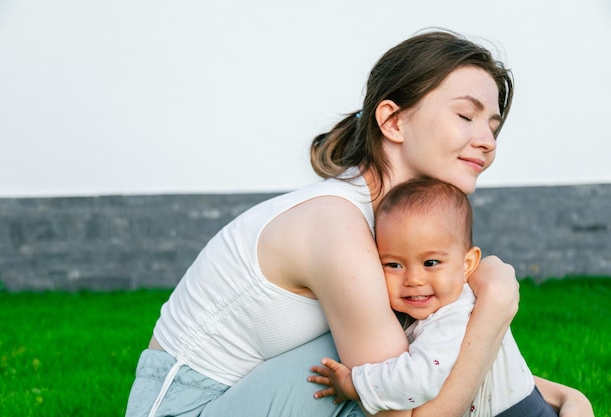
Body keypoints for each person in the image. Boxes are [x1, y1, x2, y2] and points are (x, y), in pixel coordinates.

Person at [125, 29, 594, 417]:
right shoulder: (337, 228)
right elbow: (409, 406)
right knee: (367, 380)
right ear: (392, 121)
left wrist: (562, 396)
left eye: (492, 125)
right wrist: (495, 306)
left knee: (431, 305)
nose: (487, 141)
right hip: (187, 408)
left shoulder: (397, 225)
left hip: (253, 394)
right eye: (465, 115)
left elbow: (431, 354)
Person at [309, 177, 560, 416]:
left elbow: (418, 381)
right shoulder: (439, 308)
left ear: (467, 264)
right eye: (394, 265)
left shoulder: (451, 318)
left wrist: (353, 384)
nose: (413, 279)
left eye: (430, 262)